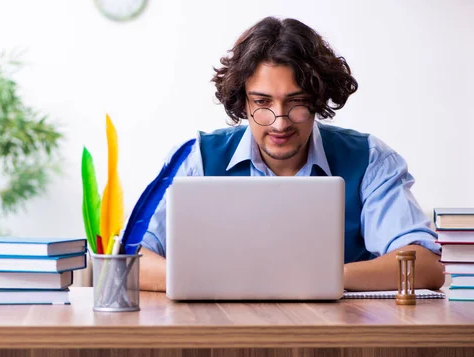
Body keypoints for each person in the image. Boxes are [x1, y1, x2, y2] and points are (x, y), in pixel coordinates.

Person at [137, 16, 444, 292]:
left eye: (296, 102)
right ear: (243, 102)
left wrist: (321, 279)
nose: (280, 121)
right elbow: (131, 259)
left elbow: (427, 266)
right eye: (262, 102)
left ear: (318, 98)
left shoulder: (370, 159)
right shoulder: (198, 159)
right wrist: (212, 279)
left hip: (339, 344)